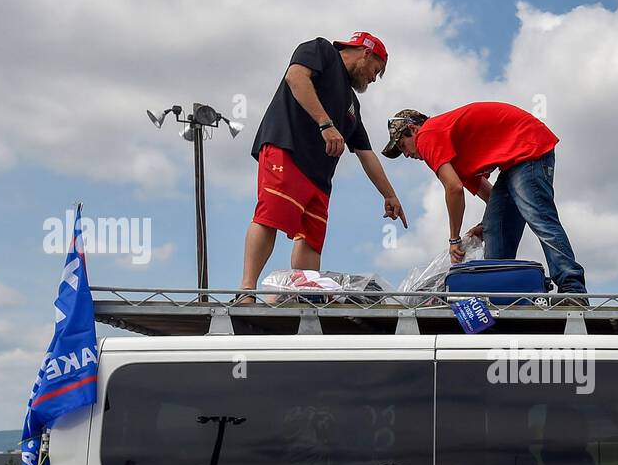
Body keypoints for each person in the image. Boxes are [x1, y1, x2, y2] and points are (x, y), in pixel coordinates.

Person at [238, 32, 407, 300]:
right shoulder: (321, 51)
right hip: (288, 149)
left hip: (319, 178)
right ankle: (245, 290)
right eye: (376, 70)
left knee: (311, 240)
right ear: (366, 52)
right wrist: (326, 124)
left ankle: (302, 299)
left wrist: (389, 194)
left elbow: (365, 153)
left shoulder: (352, 104)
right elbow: (295, 78)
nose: (374, 78)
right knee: (271, 217)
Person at [382, 102, 587, 296]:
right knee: (494, 227)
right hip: (514, 160)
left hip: (528, 146)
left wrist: (454, 240)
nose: (406, 154)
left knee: (539, 217)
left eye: (402, 146)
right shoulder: (454, 155)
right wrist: (484, 224)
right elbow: (489, 197)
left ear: (413, 129)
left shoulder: (426, 135)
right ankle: (498, 294)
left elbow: (453, 189)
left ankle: (572, 287)